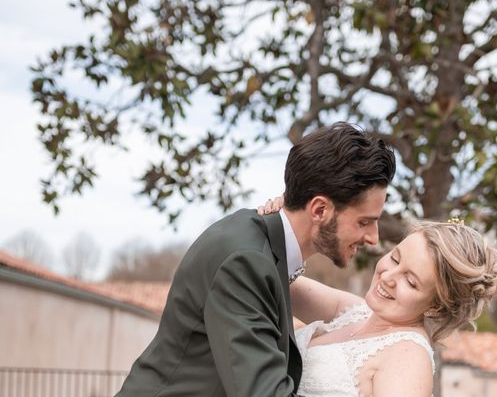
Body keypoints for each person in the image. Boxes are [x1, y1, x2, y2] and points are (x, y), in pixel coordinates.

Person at [115, 122, 396, 397]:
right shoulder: (246, 260)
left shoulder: (263, 245)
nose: (373, 237)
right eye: (364, 222)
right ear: (320, 209)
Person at [260, 199, 497, 397]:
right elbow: (273, 276)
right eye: (395, 258)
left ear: (435, 307)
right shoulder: (356, 311)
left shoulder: (408, 358)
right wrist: (283, 223)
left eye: (410, 281)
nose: (389, 276)